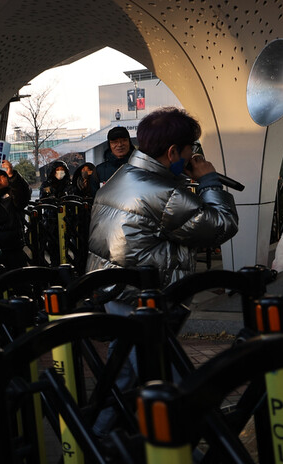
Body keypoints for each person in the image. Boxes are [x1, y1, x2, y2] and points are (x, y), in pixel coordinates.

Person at [86, 107, 238, 436]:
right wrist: (210, 182)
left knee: (123, 375)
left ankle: (98, 446)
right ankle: (171, 452)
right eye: (190, 150)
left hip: (118, 294)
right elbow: (221, 226)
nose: (194, 156)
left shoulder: (121, 177)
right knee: (172, 389)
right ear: (172, 152)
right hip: (144, 302)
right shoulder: (163, 193)